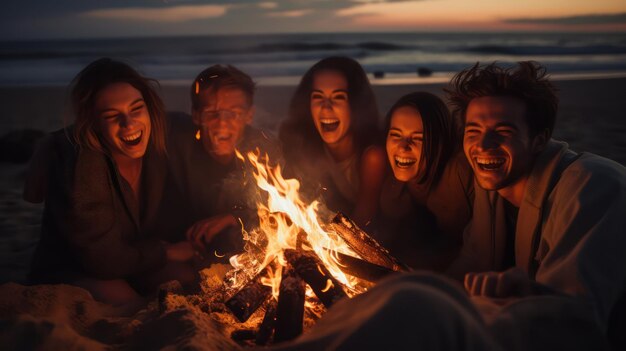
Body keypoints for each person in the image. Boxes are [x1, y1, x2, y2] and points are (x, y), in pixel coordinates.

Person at [444, 61, 626, 345]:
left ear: (539, 140)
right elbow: (468, 265)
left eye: (502, 132)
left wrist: (525, 292)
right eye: (473, 131)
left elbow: (575, 320)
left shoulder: (592, 186)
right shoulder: (493, 190)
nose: (483, 145)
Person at [27, 58, 197, 307]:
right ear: (93, 123)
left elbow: (205, 124)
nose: (129, 123)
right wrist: (166, 252)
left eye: (136, 109)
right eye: (111, 115)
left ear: (149, 109)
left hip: (133, 256)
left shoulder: (159, 136)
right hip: (79, 266)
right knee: (128, 304)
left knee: (187, 280)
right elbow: (102, 260)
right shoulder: (83, 163)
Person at [164, 64, 281, 258]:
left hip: (239, 256)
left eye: (233, 113)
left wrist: (234, 217)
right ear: (196, 115)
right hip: (181, 248)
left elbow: (284, 213)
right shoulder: (175, 140)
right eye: (211, 112)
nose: (222, 122)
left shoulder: (265, 151)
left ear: (249, 115)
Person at [279, 56, 386, 229]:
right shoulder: (306, 148)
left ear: (355, 104)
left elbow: (361, 225)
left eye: (338, 97)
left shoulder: (373, 155)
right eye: (318, 97)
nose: (326, 107)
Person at [378, 92, 473, 270]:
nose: (403, 146)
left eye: (418, 138)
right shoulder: (394, 190)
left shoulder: (458, 175)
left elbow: (471, 252)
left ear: (440, 143)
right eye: (396, 135)